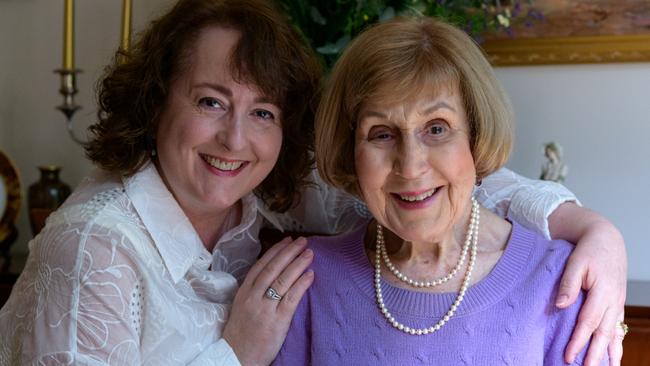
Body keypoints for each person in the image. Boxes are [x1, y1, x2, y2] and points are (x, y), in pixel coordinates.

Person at [0, 1, 625, 365]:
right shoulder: (91, 250)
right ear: (156, 102)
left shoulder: (265, 192)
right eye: (212, 102)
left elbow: (440, 185)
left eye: (264, 112)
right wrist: (235, 354)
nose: (236, 139)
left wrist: (594, 232)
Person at [274, 17, 622, 366]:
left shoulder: (560, 281)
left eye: (436, 128)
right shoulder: (307, 278)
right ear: (350, 150)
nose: (410, 166)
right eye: (381, 133)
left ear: (476, 135)